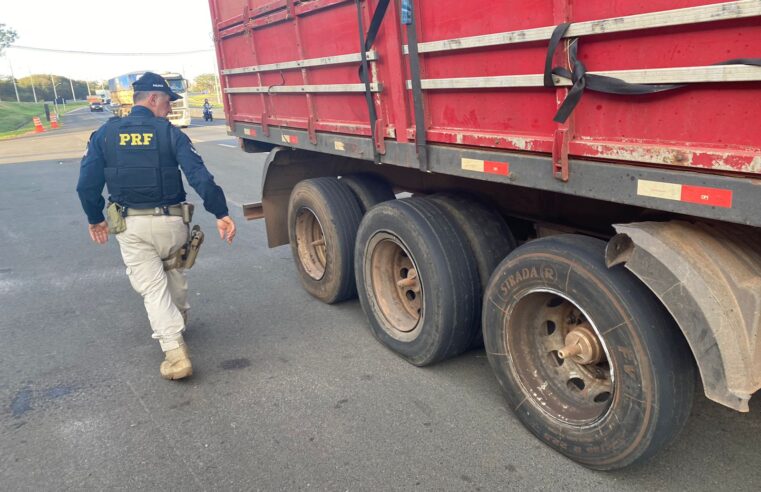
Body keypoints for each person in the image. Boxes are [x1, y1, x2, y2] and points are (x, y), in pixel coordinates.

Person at [76, 72, 236, 381]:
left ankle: (175, 353)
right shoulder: (169, 133)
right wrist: (221, 212)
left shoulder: (104, 135)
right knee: (172, 268)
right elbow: (200, 176)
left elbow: (86, 186)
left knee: (152, 287)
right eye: (166, 101)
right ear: (152, 99)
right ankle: (179, 319)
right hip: (172, 223)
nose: (170, 108)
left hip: (131, 226)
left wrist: (95, 218)